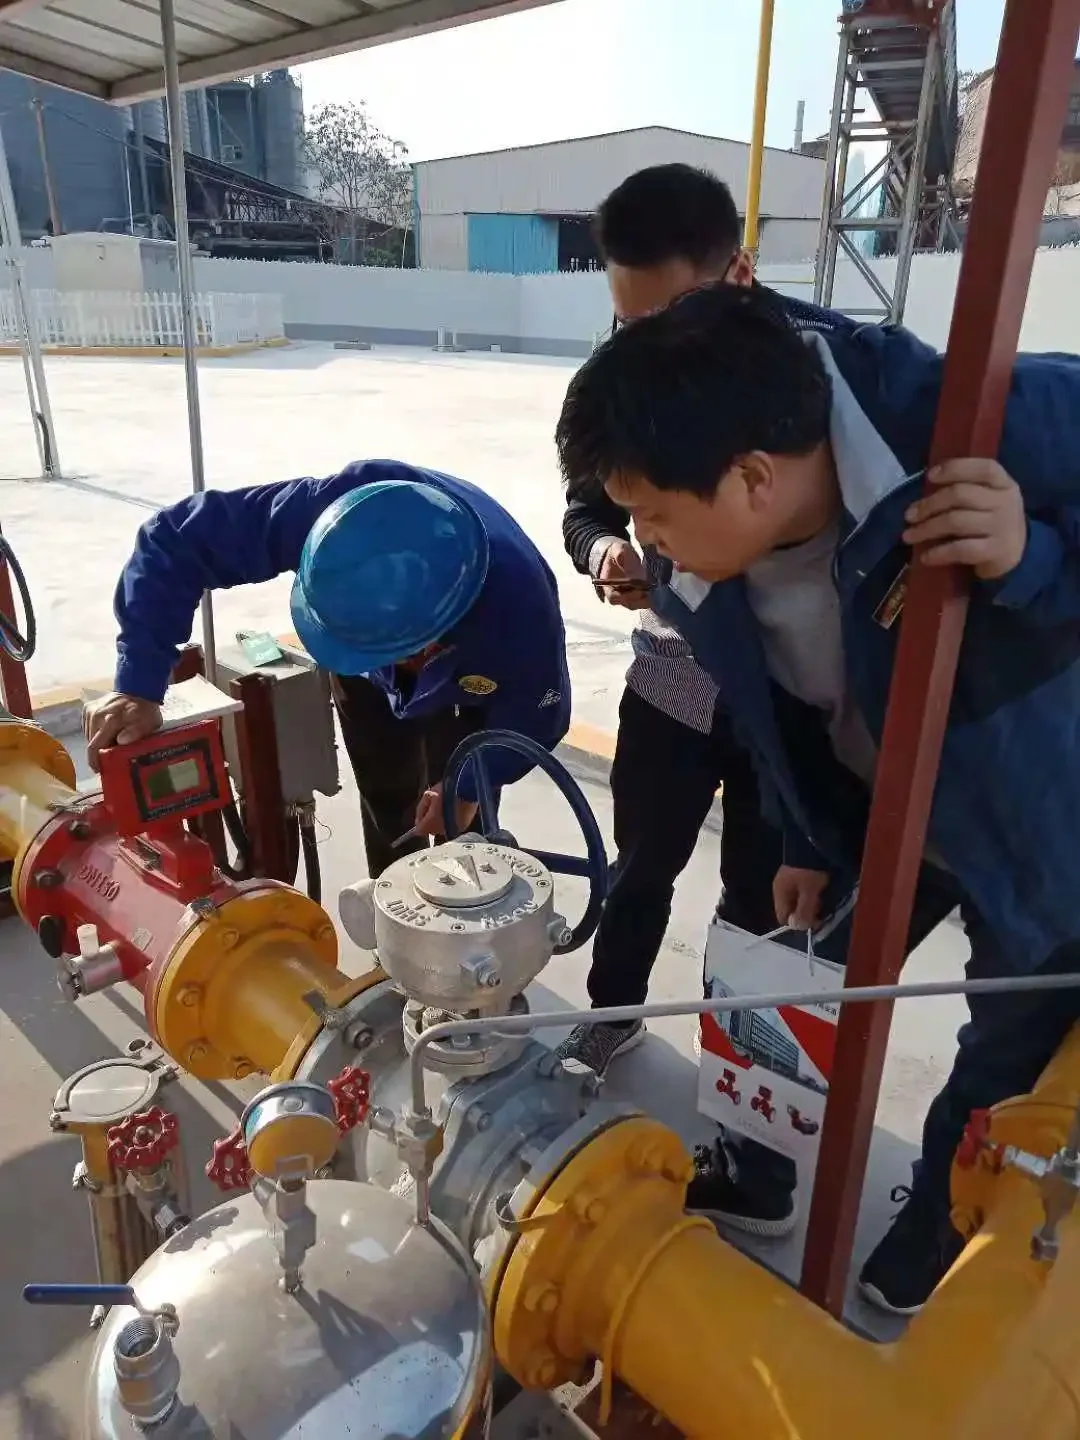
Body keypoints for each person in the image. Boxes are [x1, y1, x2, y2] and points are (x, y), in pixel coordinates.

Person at [554, 279, 1080, 1316]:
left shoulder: (976, 420)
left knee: (1006, 1044)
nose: (646, 540)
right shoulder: (687, 535)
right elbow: (770, 712)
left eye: (656, 516)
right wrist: (801, 832)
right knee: (764, 984)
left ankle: (940, 1227)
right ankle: (759, 1169)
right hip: (843, 793)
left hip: (1034, 813)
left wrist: (1035, 559)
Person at [558, 165, 784, 1084]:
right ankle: (612, 1016)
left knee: (764, 898)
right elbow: (584, 509)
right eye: (629, 321)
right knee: (643, 860)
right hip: (672, 675)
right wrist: (602, 551)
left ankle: (741, 1079)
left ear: (736, 272)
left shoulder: (801, 371)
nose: (644, 342)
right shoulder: (616, 382)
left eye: (666, 318)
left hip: (781, 691)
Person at [85, 460, 571, 877]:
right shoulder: (327, 517)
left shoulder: (519, 608)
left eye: (403, 653)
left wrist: (468, 787)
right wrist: (139, 683)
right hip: (358, 665)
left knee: (466, 815)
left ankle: (473, 915)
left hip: (467, 686)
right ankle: (395, 913)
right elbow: (174, 542)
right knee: (388, 799)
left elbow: (537, 714)